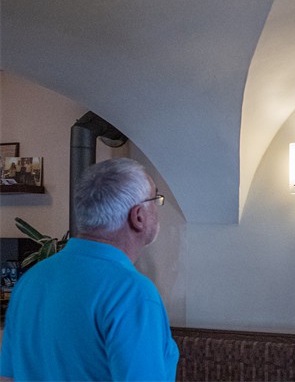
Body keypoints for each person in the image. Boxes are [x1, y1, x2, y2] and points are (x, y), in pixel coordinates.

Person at [0, 158, 179, 381]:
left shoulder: (29, 281)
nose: (157, 209)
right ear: (138, 216)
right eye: (155, 199)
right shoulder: (132, 293)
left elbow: (7, 378)